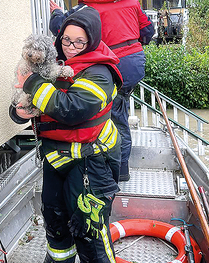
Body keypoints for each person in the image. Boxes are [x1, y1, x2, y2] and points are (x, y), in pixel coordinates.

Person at [9, 7, 123, 263]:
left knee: (89, 231)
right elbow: (25, 101)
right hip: (55, 159)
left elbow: (72, 109)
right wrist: (19, 113)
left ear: (91, 40)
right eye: (66, 39)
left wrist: (32, 82)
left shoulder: (99, 72)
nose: (71, 47)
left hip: (91, 163)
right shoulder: (51, 60)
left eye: (79, 41)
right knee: (55, 224)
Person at [50, 0, 155, 181]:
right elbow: (148, 31)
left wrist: (57, 13)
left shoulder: (87, 8)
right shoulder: (132, 3)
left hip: (109, 63)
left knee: (111, 118)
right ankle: (119, 168)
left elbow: (62, 30)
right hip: (133, 63)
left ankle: (114, 170)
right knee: (119, 113)